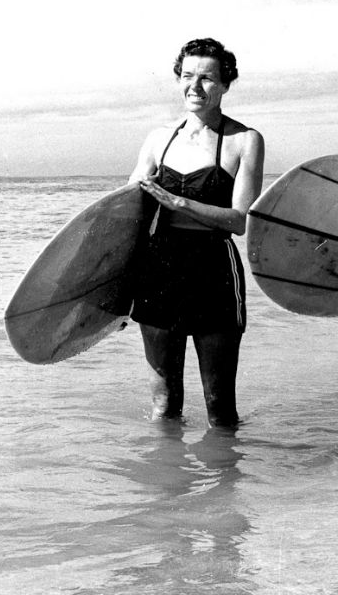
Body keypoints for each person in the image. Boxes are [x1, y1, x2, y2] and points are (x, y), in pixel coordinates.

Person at [129, 38, 265, 427]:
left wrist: (181, 204)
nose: (195, 86)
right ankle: (166, 482)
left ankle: (228, 486)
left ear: (225, 84)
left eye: (207, 78)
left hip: (214, 269)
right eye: (187, 76)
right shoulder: (158, 139)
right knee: (163, 406)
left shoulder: (244, 141)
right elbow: (124, 214)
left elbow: (240, 220)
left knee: (219, 407)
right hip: (158, 269)